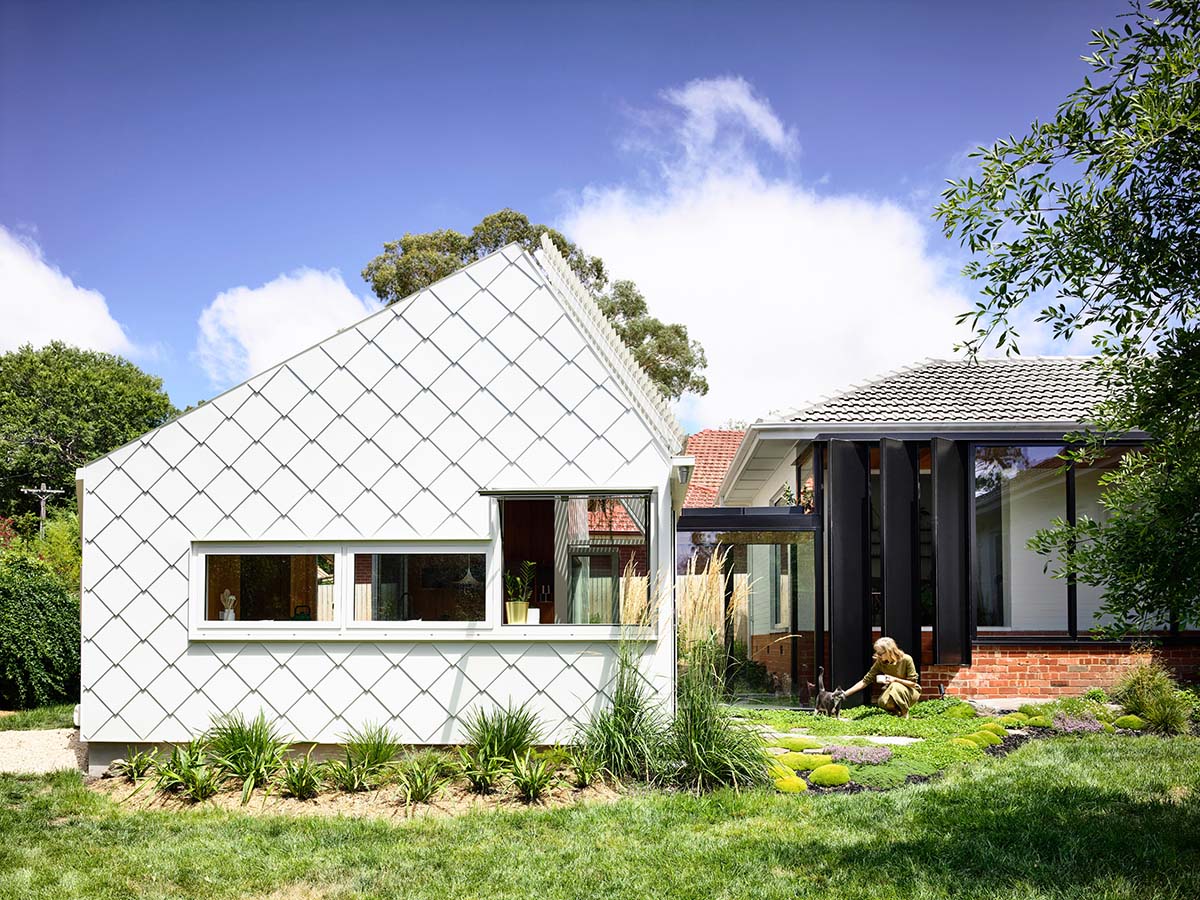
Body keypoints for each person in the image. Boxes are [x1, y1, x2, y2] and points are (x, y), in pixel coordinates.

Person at [838, 637, 921, 717]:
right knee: (882, 702)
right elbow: (865, 680)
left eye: (880, 653)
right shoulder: (880, 662)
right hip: (893, 691)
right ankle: (896, 713)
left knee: (895, 685)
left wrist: (895, 679)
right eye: (876, 652)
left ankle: (904, 713)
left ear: (889, 651)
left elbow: (913, 683)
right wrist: (845, 694)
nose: (877, 655)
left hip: (910, 692)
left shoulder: (906, 659)